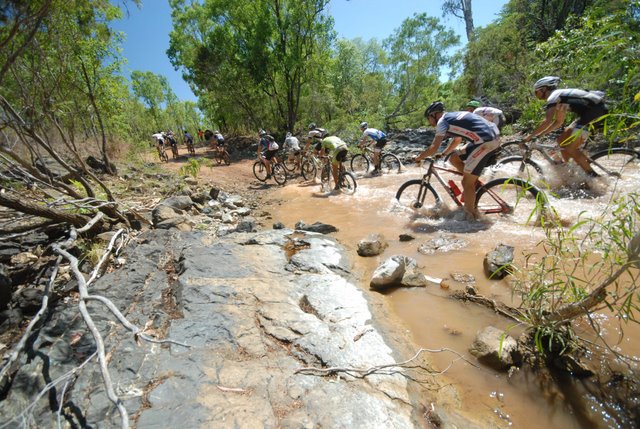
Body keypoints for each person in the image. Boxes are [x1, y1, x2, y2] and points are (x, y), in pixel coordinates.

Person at [415, 101, 501, 220]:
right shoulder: (452, 117)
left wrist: (419, 157)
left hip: (484, 142)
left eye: (428, 118)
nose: (429, 122)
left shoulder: (442, 122)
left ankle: (470, 218)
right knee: (454, 158)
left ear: (433, 115)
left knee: (466, 182)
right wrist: (444, 153)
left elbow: (434, 147)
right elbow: (457, 140)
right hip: (489, 138)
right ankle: (474, 182)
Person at [524, 76, 608, 177]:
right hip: (590, 113)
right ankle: (570, 173)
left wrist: (530, 136)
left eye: (536, 92)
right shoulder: (560, 97)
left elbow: (547, 120)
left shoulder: (553, 97)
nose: (536, 95)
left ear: (544, 89)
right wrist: (541, 134)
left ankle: (595, 178)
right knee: (561, 140)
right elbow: (558, 122)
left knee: (571, 148)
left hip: (595, 113)